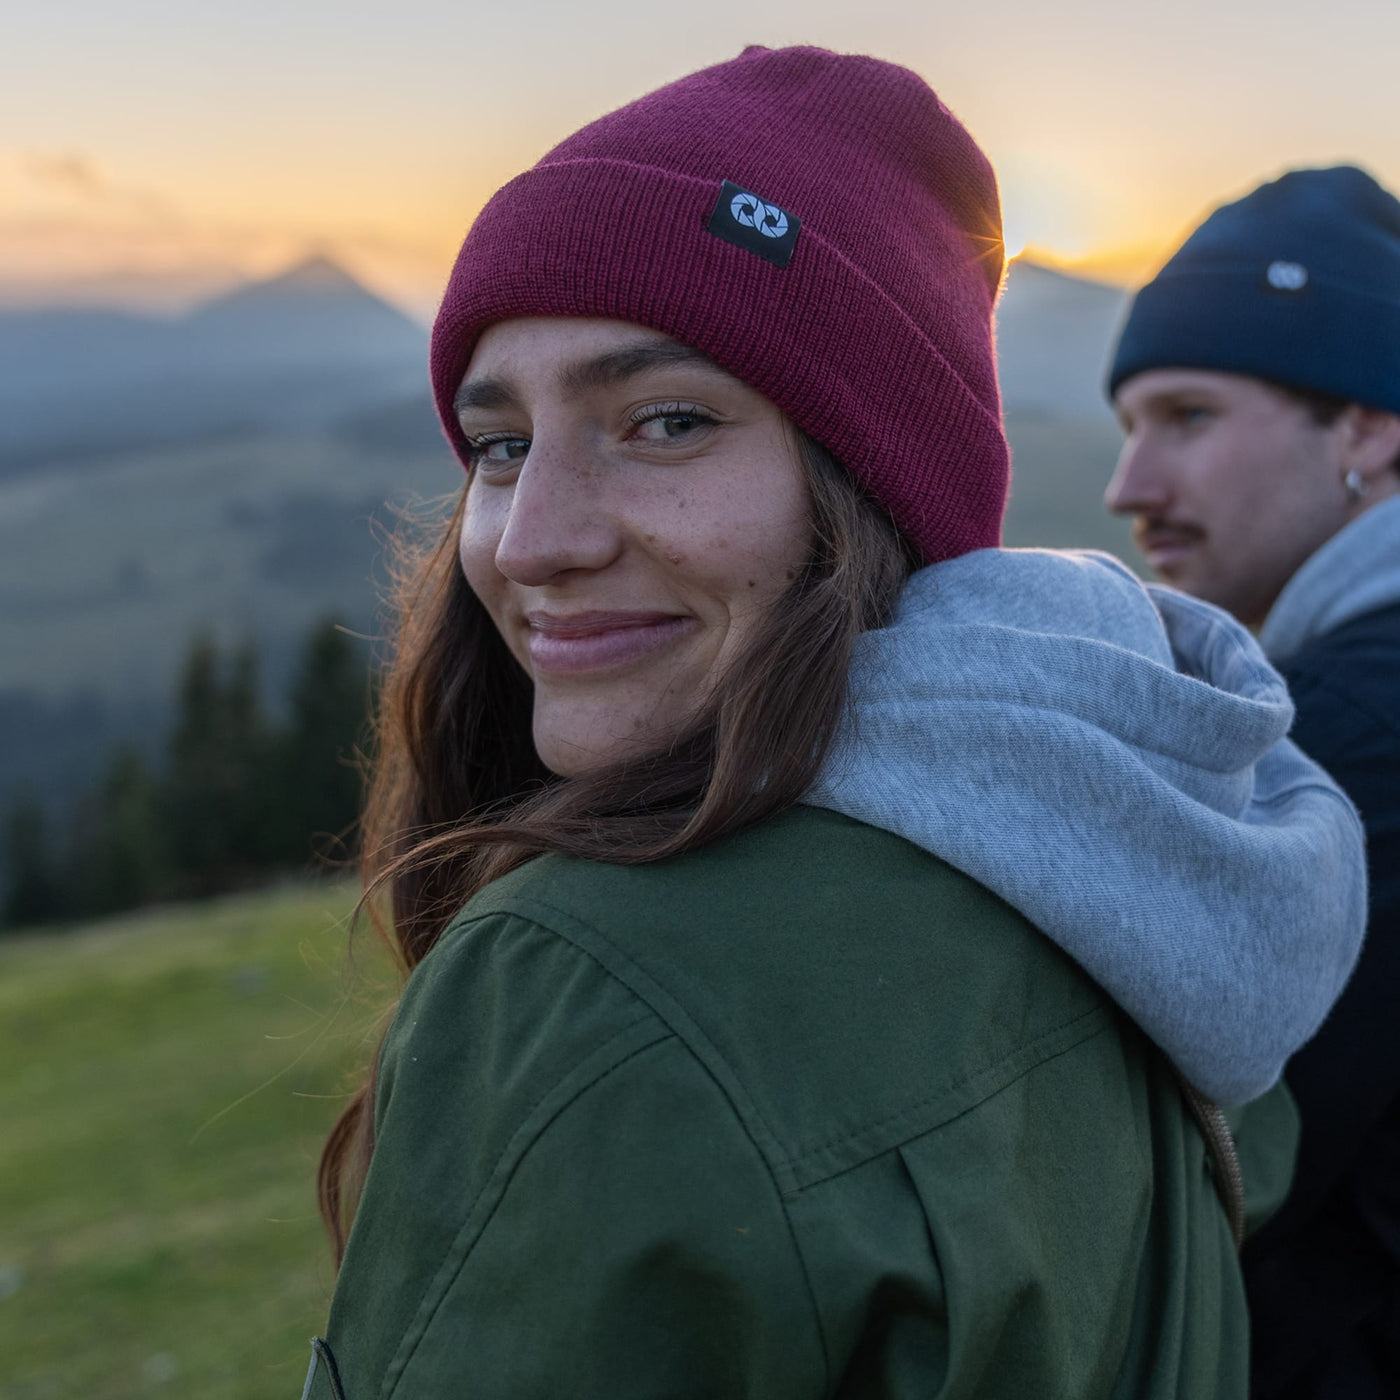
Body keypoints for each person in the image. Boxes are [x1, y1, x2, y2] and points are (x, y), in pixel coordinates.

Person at [303, 49, 1365, 1400]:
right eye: (500, 443)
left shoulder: (597, 979)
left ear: (870, 481)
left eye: (667, 421)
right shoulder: (1142, 853)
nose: (532, 542)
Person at [1105, 166, 1400, 1399]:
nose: (1128, 488)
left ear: (1366, 425)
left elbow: (1207, 1180)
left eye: (1184, 416)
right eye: (1124, 426)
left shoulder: (1343, 736)